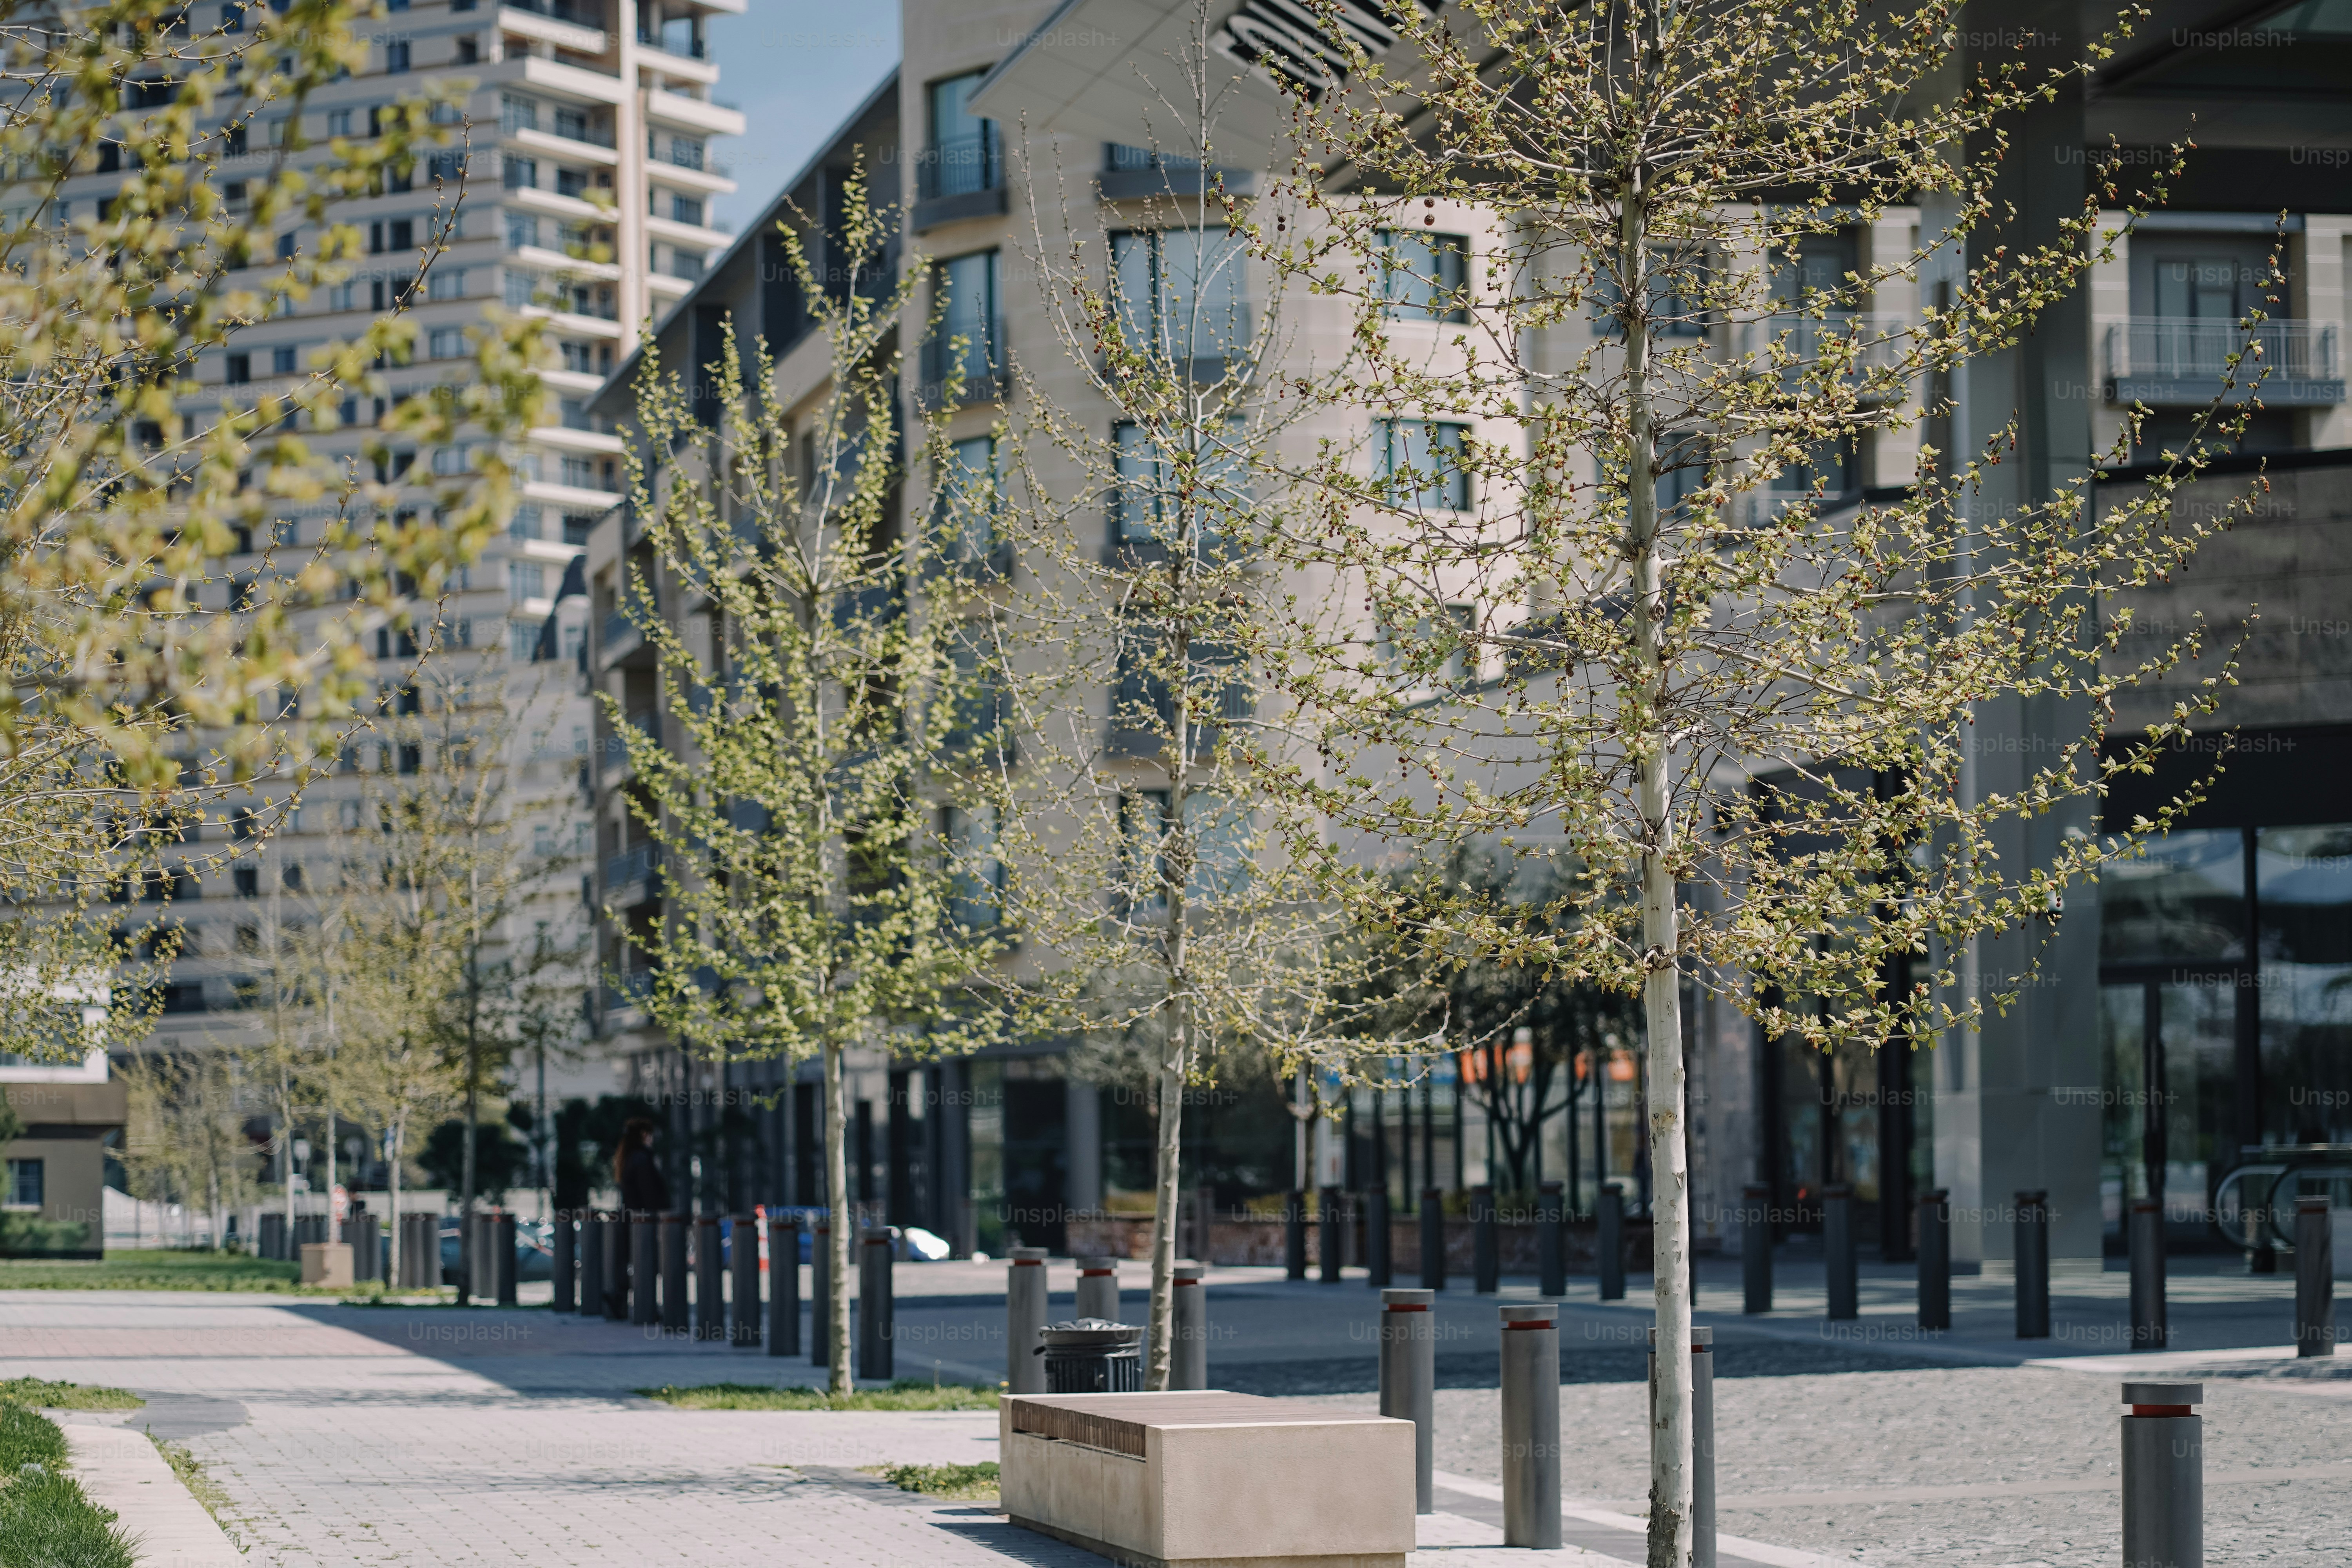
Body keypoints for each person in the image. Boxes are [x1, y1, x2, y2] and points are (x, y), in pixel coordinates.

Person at [614, 1118, 670, 1216]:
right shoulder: (641, 1159)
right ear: (644, 1134)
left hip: (635, 1217)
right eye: (651, 1135)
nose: (652, 1140)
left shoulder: (629, 1158)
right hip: (644, 1219)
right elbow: (649, 1192)